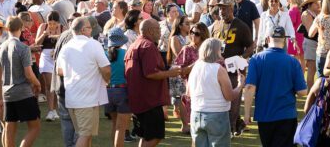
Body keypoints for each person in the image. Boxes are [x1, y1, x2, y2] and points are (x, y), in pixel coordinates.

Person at [243, 25, 306, 147]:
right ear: (284, 40)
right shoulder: (292, 61)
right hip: (286, 115)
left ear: (267, 39)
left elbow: (250, 87)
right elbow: (302, 91)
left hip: (265, 116)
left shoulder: (256, 59)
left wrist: (247, 113)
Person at [124, 18, 184, 147]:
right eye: (158, 29)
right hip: (149, 100)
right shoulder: (148, 46)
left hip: (138, 99)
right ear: (150, 31)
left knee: (145, 135)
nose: (160, 32)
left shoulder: (134, 45)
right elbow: (150, 73)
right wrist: (171, 73)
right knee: (155, 136)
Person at [56, 16, 110, 147]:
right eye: (90, 28)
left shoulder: (67, 47)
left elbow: (60, 71)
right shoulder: (93, 44)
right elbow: (106, 69)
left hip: (73, 98)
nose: (91, 31)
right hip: (87, 99)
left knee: (85, 134)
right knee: (84, 135)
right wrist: (105, 80)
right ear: (83, 30)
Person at [0, 15, 41, 147]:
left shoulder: (1, 47)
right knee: (35, 127)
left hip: (7, 93)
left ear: (6, 29)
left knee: (9, 128)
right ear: (21, 28)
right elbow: (28, 74)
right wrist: (37, 84)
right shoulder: (23, 48)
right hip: (23, 92)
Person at [188, 37, 243, 147]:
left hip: (196, 113)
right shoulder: (218, 69)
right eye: (221, 49)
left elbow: (188, 92)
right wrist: (240, 85)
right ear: (216, 51)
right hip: (216, 115)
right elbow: (229, 96)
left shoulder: (195, 67)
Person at [211, 0, 253, 136]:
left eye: (225, 8)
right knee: (219, 98)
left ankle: (231, 128)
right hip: (217, 68)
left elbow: (251, 46)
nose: (222, 11)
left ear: (232, 8)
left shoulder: (241, 26)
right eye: (220, 8)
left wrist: (241, 58)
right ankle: (235, 124)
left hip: (234, 69)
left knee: (233, 100)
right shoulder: (216, 25)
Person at [104, 27, 132, 147]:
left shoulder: (104, 54)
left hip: (108, 92)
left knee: (115, 125)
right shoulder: (126, 54)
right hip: (122, 91)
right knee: (121, 128)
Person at [35, 11, 63, 121]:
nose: (51, 25)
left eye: (54, 23)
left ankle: (54, 110)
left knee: (57, 85)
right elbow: (37, 43)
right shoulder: (43, 26)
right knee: (49, 83)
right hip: (45, 56)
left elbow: (65, 42)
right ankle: (50, 110)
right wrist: (44, 34)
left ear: (58, 22)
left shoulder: (62, 28)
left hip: (58, 56)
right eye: (49, 23)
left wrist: (57, 39)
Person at [300, 0, 321, 87]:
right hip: (311, 43)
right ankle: (310, 93)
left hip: (316, 43)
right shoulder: (306, 14)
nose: (318, 4)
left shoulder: (315, 13)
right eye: (316, 3)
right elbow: (310, 32)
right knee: (312, 70)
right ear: (309, 4)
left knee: (314, 70)